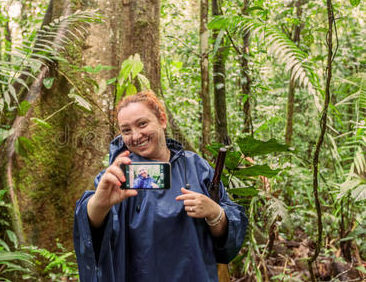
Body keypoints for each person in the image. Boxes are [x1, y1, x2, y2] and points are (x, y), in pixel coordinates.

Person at [74, 91, 248, 282]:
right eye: (126, 130)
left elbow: (230, 234)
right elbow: (94, 237)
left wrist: (215, 213)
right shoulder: (118, 175)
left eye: (142, 124)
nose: (136, 135)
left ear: (162, 120)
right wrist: (99, 203)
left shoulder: (195, 167)